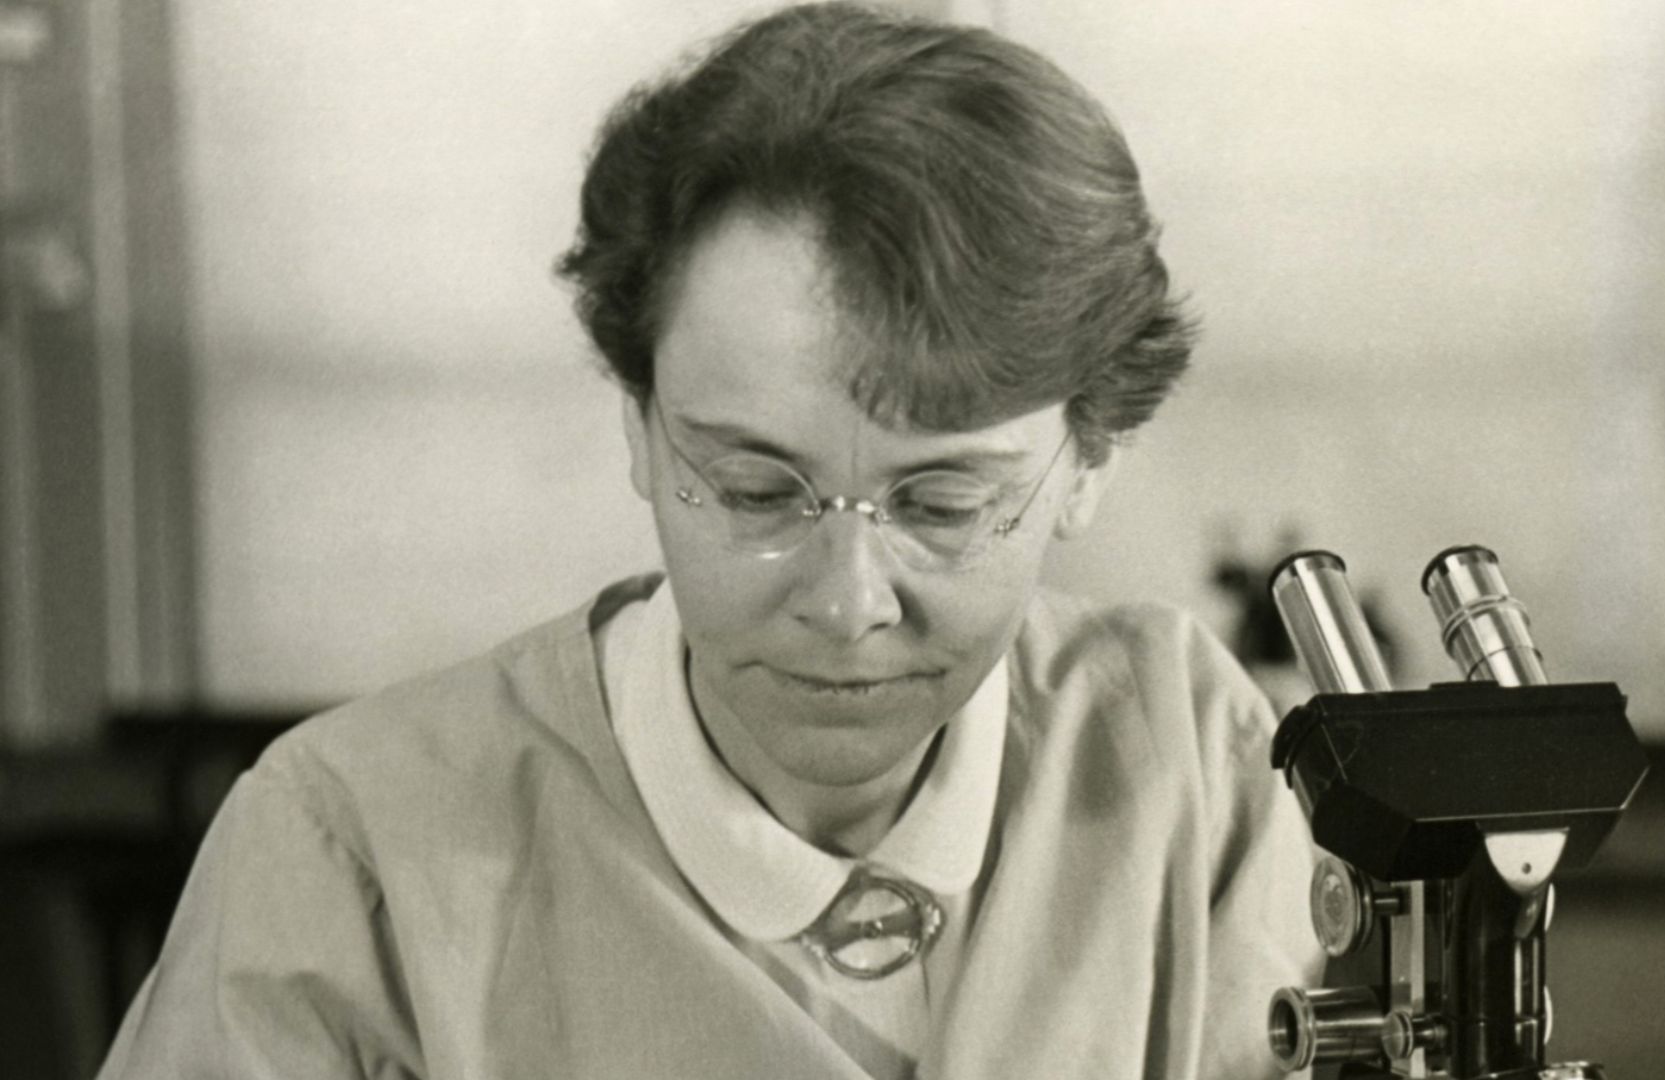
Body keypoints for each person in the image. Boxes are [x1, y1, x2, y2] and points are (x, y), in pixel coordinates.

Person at [97, 4, 1323, 1077]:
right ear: (639, 426)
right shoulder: (344, 849)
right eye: (753, 490)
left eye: (944, 504)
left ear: (1090, 460)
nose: (848, 605)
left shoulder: (1190, 766)